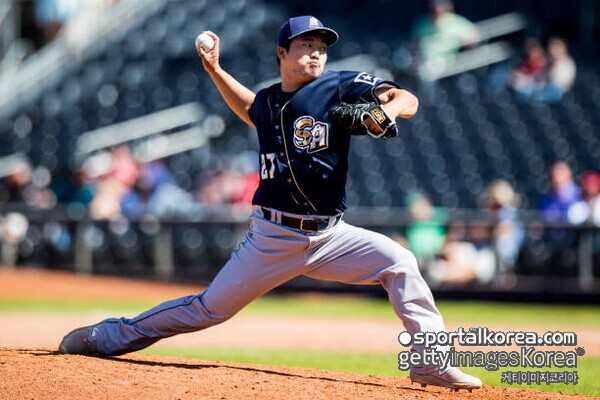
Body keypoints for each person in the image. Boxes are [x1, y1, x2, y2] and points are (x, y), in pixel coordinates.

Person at [58, 15, 481, 391]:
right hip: (273, 237)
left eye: (321, 47)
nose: (316, 53)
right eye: (306, 45)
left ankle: (430, 363)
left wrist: (388, 111)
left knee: (400, 263)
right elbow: (249, 108)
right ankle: (107, 336)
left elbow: (407, 98)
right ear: (282, 53)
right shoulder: (269, 102)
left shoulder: (338, 85)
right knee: (207, 310)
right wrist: (215, 70)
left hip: (332, 236)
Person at [410, 0, 479, 101]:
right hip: (421, 58)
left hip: (445, 59)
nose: (436, 12)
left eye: (438, 9)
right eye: (433, 10)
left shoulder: (454, 22)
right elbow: (414, 42)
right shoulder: (423, 22)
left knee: (428, 70)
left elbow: (473, 37)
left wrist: (464, 48)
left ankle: (427, 101)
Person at [535, 36, 576, 103]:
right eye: (551, 49)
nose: (553, 51)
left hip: (560, 92)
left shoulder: (566, 63)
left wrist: (554, 66)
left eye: (556, 49)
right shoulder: (549, 62)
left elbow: (560, 83)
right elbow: (541, 78)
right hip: (546, 88)